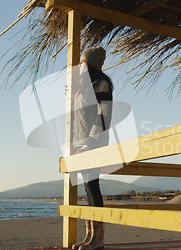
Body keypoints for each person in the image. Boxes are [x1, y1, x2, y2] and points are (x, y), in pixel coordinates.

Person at [71, 47, 113, 250]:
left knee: (93, 187)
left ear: (91, 64)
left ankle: (98, 239)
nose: (80, 65)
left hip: (93, 143)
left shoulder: (102, 84)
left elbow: (103, 116)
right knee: (88, 189)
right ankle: (90, 237)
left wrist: (89, 144)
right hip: (80, 142)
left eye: (82, 62)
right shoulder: (85, 86)